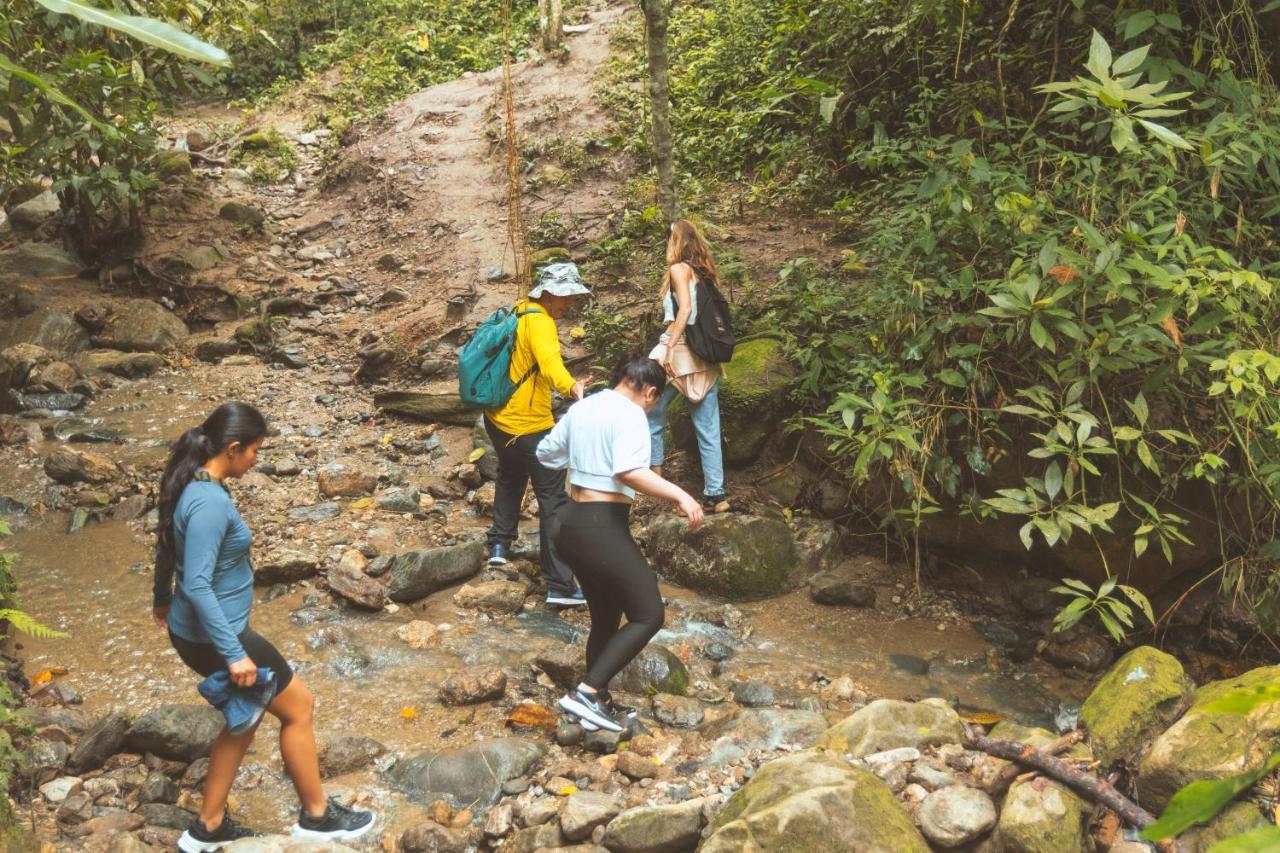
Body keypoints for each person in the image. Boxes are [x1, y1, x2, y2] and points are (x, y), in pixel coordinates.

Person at [152, 402, 374, 851]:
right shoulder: (210, 502)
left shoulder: (193, 484)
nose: (256, 460)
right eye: (254, 451)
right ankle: (317, 816)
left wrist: (160, 598)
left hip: (195, 632)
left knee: (245, 719)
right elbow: (195, 581)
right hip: (221, 636)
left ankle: (207, 828)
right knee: (298, 708)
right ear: (232, 449)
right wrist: (234, 653)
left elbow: (166, 543)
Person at [537, 354, 705, 732]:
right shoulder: (631, 414)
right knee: (648, 614)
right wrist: (681, 496)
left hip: (568, 524)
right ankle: (585, 692)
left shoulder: (583, 407)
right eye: (653, 402)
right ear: (649, 392)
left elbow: (546, 454)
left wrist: (583, 449)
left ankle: (599, 700)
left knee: (607, 618)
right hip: (601, 527)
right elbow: (629, 471)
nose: (650, 409)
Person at [484, 261, 593, 607]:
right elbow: (550, 367)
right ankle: (559, 586)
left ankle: (499, 545)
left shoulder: (517, 311)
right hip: (530, 426)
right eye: (565, 296)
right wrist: (572, 388)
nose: (569, 303)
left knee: (510, 475)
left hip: (497, 419)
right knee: (553, 500)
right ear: (546, 292)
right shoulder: (541, 322)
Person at [646, 220, 729, 514]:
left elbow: (686, 310)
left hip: (678, 348)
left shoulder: (679, 269)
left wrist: (669, 348)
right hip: (705, 356)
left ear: (676, 241)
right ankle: (716, 495)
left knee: (650, 413)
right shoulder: (706, 274)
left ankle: (656, 484)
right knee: (708, 428)